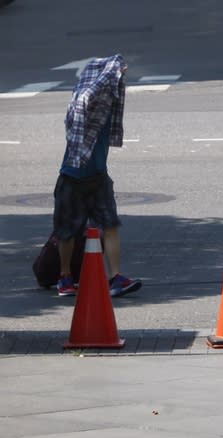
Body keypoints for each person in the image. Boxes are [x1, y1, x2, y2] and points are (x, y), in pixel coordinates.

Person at [53, 54, 141, 298]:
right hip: (72, 179)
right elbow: (88, 97)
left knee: (111, 225)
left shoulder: (105, 106)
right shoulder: (83, 104)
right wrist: (112, 72)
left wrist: (117, 72)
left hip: (99, 178)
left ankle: (116, 278)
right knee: (67, 232)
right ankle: (64, 277)